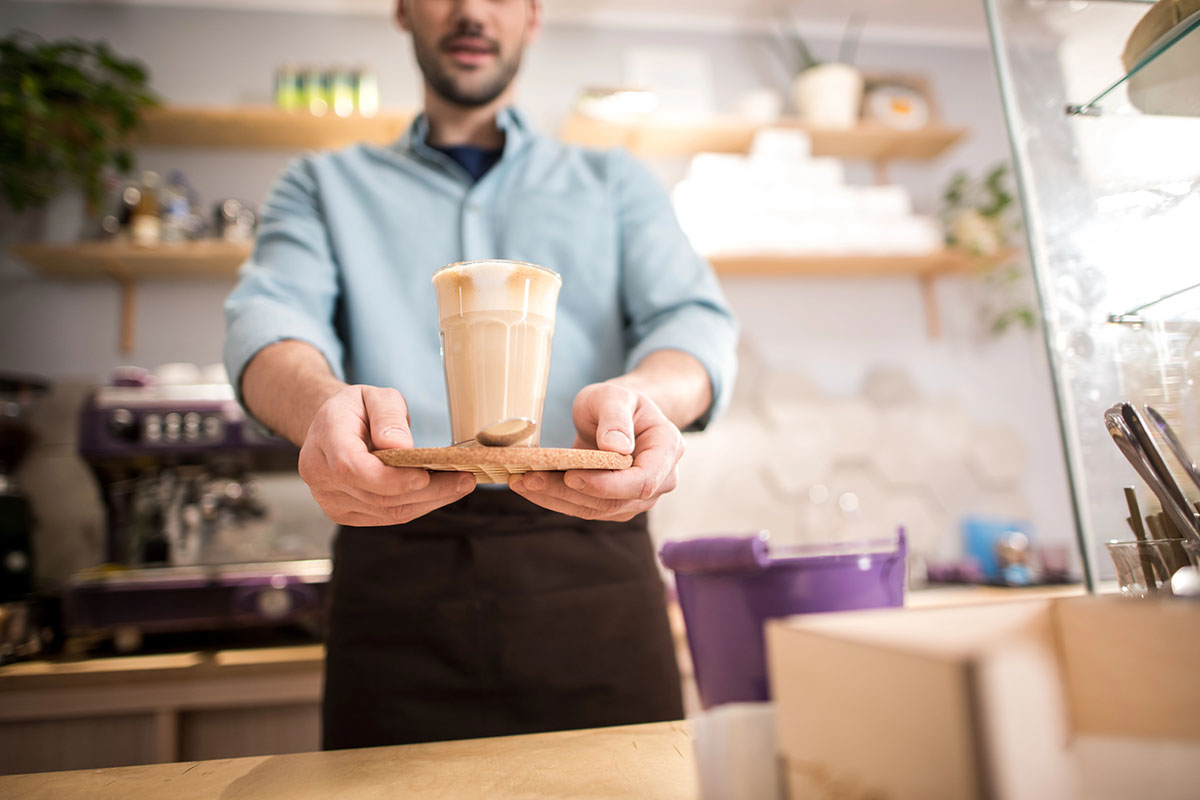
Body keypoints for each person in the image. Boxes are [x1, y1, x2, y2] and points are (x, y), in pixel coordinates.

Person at [224, 0, 737, 749]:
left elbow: (694, 325)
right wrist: (322, 406)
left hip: (592, 571)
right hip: (395, 576)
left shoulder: (615, 182)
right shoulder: (321, 186)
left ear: (532, 16)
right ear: (402, 11)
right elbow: (268, 326)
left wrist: (645, 399)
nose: (469, 11)